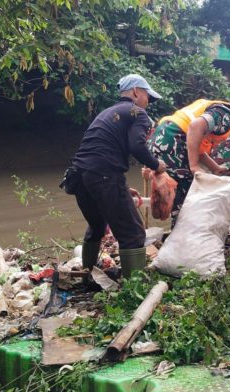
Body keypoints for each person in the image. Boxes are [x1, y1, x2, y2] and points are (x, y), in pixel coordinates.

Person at [61, 74, 167, 278]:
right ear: (136, 92)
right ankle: (133, 289)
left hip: (79, 176)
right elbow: (137, 146)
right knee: (134, 234)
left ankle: (88, 271)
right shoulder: (138, 112)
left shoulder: (107, 113)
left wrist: (121, 188)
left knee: (97, 225)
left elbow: (97, 153)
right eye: (147, 97)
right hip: (103, 175)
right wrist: (157, 165)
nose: (148, 103)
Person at [147, 99, 230, 223]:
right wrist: (194, 166)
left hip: (164, 138)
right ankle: (183, 232)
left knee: (183, 192)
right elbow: (194, 127)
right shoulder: (226, 116)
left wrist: (215, 168)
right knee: (191, 192)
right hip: (173, 140)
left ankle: (179, 229)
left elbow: (198, 148)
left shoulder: (223, 121)